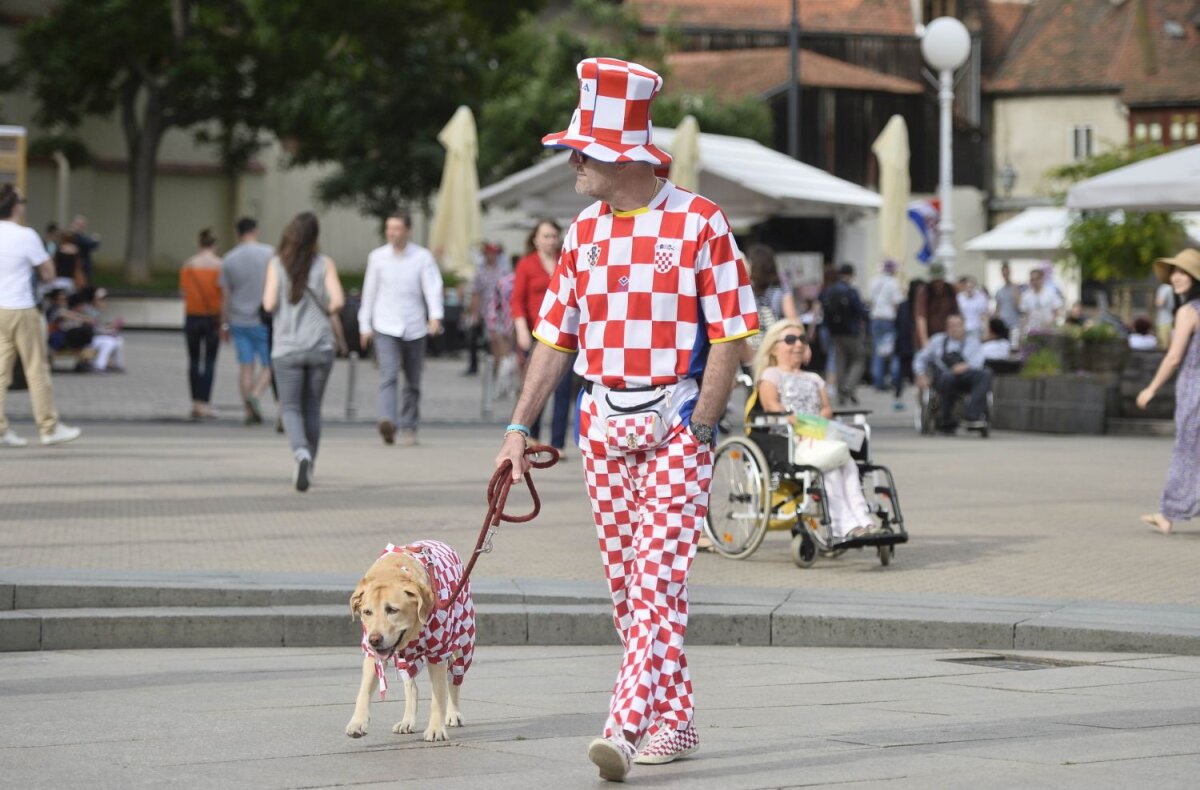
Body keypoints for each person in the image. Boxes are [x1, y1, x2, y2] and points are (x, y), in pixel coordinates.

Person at [493, 57, 758, 782]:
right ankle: (677, 720)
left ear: (619, 155)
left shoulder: (702, 222)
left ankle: (625, 724)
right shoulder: (581, 233)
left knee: (656, 581)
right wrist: (519, 429)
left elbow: (734, 332)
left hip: (676, 422)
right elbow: (555, 338)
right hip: (603, 426)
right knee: (624, 585)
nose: (572, 161)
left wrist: (702, 425)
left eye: (582, 150)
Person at [754, 321, 874, 543]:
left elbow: (826, 407)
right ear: (773, 348)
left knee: (847, 464)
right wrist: (799, 423)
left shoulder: (814, 378)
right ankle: (843, 524)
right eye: (790, 340)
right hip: (789, 437)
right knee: (829, 466)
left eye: (802, 339)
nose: (798, 344)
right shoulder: (771, 374)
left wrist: (818, 422)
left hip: (818, 434)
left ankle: (862, 517)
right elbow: (771, 405)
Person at [262, 211, 345, 492]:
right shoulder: (325, 263)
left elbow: (268, 303)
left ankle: (301, 453)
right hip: (320, 345)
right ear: (314, 237)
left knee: (290, 407)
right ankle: (311, 465)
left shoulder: (276, 264)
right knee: (312, 407)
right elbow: (338, 302)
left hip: (286, 347)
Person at [0, 184, 81, 447]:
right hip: (21, 307)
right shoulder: (26, 235)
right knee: (37, 369)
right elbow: (48, 273)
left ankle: (1, 430)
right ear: (16, 206)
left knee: (1, 372)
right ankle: (48, 426)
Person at [358, 210, 443, 447]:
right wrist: (364, 325)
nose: (391, 233)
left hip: (414, 326)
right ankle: (387, 420)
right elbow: (369, 293)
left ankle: (409, 425)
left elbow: (432, 287)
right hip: (385, 325)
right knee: (389, 373)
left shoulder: (422, 257)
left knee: (413, 381)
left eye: (396, 228)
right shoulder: (377, 257)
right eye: (389, 228)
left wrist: (435, 316)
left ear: (407, 230)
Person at [1136, 248, 1200, 535]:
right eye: (1174, 272)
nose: (1175, 277)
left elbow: (1174, 357)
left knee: (1186, 449)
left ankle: (1167, 513)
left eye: (1182, 272)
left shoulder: (1188, 312)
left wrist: (1150, 388)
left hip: (1194, 389)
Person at [511, 218, 573, 452]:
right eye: (546, 236)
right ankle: (532, 437)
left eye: (554, 236)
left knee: (563, 388)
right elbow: (517, 301)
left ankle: (557, 443)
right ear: (535, 239)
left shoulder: (564, 261)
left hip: (564, 332)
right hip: (535, 332)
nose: (550, 241)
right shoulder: (527, 264)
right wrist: (521, 330)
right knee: (534, 384)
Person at [220, 217, 275, 425]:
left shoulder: (229, 258)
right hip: (263, 319)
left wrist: (224, 323)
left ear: (238, 232)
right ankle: (256, 393)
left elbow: (225, 295)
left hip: (238, 319)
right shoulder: (269, 254)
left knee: (245, 366)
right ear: (256, 230)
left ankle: (247, 411)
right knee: (271, 364)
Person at [914, 314, 992, 434]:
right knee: (948, 377)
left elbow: (979, 361)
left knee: (986, 374)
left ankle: (973, 415)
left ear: (964, 326)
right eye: (952, 326)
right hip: (943, 377)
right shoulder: (937, 340)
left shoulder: (973, 341)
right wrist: (920, 374)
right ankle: (946, 418)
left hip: (967, 376)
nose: (955, 329)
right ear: (947, 328)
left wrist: (965, 366)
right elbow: (920, 358)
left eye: (958, 325)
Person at [180, 228, 223, 420]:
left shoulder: (188, 265)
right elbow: (223, 293)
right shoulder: (220, 265)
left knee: (194, 360)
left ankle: (195, 402)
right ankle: (205, 402)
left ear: (199, 243)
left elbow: (183, 291)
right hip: (213, 317)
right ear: (215, 244)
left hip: (192, 316)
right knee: (210, 361)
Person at [820, 263, 868, 405]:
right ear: (852, 274)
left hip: (834, 332)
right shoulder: (851, 291)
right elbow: (860, 310)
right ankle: (848, 385)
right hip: (851, 332)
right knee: (858, 360)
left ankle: (840, 394)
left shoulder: (829, 290)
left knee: (839, 362)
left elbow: (821, 303)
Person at [866, 259, 903, 392]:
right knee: (892, 352)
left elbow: (870, 300)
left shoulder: (874, 281)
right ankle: (894, 379)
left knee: (877, 351)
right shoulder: (894, 283)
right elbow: (896, 303)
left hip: (875, 318)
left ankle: (878, 381)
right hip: (889, 319)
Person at [79, 287, 125, 372]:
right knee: (108, 342)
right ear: (92, 299)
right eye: (100, 299)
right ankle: (99, 366)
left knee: (118, 340)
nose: (103, 302)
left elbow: (98, 327)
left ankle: (118, 365)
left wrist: (111, 329)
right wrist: (109, 330)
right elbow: (94, 329)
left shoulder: (94, 310)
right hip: (87, 339)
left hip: (94, 337)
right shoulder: (88, 310)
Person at [914, 262, 958, 348]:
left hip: (947, 336)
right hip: (930, 336)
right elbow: (921, 317)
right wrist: (924, 341)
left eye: (940, 280)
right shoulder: (924, 291)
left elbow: (956, 314)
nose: (938, 283)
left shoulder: (950, 290)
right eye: (935, 280)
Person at [1020, 267, 1063, 334]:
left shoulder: (1051, 294)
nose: (1034, 282)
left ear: (1041, 279)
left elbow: (1058, 312)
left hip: (1049, 331)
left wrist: (1049, 323)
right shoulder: (1026, 296)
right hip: (1032, 332)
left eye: (1036, 279)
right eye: (1032, 279)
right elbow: (1024, 315)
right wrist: (1023, 330)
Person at [993, 262, 1022, 347]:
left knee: (1014, 347)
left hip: (1014, 324)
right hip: (1003, 324)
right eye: (1003, 272)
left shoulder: (1016, 288)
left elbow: (1019, 305)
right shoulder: (999, 291)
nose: (1005, 274)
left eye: (1007, 272)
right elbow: (998, 308)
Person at [69, 215, 100, 286]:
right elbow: (90, 244)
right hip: (79, 266)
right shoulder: (75, 235)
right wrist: (95, 239)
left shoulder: (78, 235)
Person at [956, 276, 989, 342]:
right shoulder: (959, 297)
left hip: (976, 327)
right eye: (968, 286)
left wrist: (986, 331)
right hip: (963, 328)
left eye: (971, 286)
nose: (969, 288)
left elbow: (984, 315)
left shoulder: (981, 297)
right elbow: (958, 314)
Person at [1154, 278, 1175, 348]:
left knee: (1164, 347)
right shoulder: (1177, 287)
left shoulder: (1165, 287)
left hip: (1164, 321)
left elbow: (1160, 303)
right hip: (1176, 320)